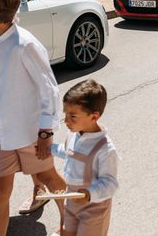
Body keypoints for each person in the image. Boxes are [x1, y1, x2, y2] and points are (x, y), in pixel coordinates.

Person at [0, 0, 66, 236]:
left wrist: (45, 132)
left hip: (31, 133)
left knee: (48, 179)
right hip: (2, 134)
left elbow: (49, 89)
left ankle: (72, 221)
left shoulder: (25, 44)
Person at [51, 80, 119, 236]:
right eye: (65, 115)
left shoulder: (105, 149)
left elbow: (110, 183)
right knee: (66, 233)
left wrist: (89, 194)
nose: (66, 121)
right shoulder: (74, 134)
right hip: (71, 201)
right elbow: (67, 152)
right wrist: (50, 149)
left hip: (94, 207)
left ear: (94, 116)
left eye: (73, 116)